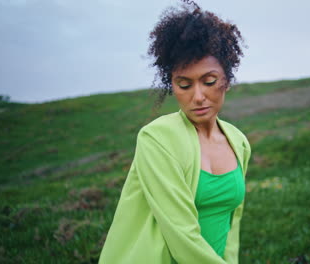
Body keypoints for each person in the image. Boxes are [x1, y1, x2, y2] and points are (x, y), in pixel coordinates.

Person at [98, 1, 250, 263]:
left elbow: (231, 224)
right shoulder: (156, 139)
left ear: (226, 79)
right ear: (172, 85)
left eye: (209, 81)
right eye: (184, 85)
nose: (198, 96)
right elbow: (181, 234)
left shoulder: (239, 142)